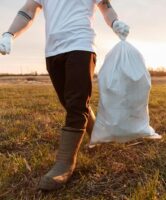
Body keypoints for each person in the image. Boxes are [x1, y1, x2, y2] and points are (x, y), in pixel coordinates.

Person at [0, 0, 129, 191]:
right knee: (70, 102)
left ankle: (64, 164)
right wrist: (9, 34)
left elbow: (105, 6)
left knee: (76, 104)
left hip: (81, 45)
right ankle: (98, 134)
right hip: (53, 50)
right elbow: (28, 10)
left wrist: (115, 22)